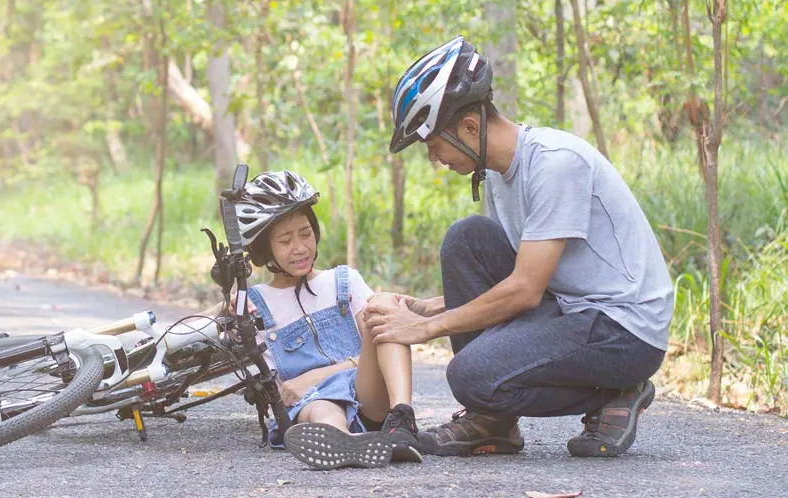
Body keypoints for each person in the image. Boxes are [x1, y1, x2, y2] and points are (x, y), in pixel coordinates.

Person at [365, 35, 674, 458]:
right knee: (467, 238)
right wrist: (431, 306)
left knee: (470, 376)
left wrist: (425, 329)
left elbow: (525, 290)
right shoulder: (497, 175)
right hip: (573, 309)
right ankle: (493, 423)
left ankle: (617, 391)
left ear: (469, 128)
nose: (435, 159)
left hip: (623, 329)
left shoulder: (556, 163)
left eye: (434, 146)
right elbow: (521, 274)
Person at [230, 170, 422, 469]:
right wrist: (230, 303)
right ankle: (345, 443)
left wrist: (314, 376)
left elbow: (377, 344)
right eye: (285, 240)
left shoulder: (342, 281)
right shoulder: (254, 304)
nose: (300, 248)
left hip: (367, 391)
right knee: (320, 410)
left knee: (383, 304)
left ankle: (401, 424)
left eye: (306, 234)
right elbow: (201, 327)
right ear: (264, 249)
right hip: (314, 402)